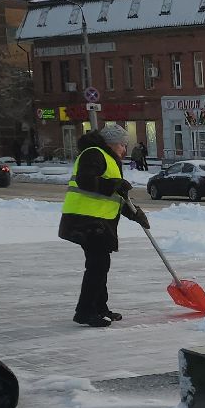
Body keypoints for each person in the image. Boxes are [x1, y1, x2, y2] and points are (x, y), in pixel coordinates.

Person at [58, 124, 149, 327]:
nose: (124, 149)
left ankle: (99, 308)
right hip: (85, 220)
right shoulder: (94, 154)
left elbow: (113, 196)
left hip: (96, 221)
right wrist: (115, 184)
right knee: (97, 266)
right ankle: (84, 312)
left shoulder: (107, 158)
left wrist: (135, 214)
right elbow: (85, 180)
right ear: (112, 143)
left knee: (99, 265)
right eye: (122, 145)